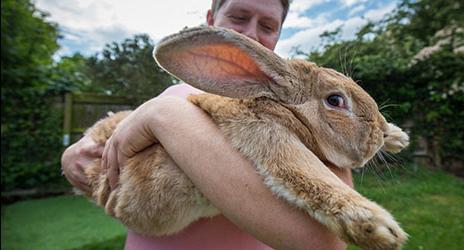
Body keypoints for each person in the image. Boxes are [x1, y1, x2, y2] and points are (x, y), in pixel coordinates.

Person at [61, 0, 354, 249]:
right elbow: (107, 157)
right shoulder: (170, 95)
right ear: (211, 20)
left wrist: (164, 117)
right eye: (238, 18)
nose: (251, 34)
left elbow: (327, 242)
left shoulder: (303, 108)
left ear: (278, 34)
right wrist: (72, 155)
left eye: (267, 26)